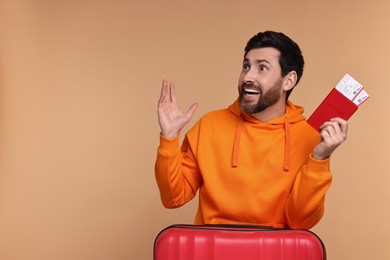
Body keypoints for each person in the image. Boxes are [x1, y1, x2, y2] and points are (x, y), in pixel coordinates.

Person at [155, 31, 348, 229]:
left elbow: (300, 222)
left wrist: (320, 158)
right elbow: (173, 198)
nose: (248, 76)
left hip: (276, 253)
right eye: (246, 66)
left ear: (288, 81)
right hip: (214, 250)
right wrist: (169, 138)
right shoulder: (209, 125)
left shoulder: (309, 137)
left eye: (262, 68)